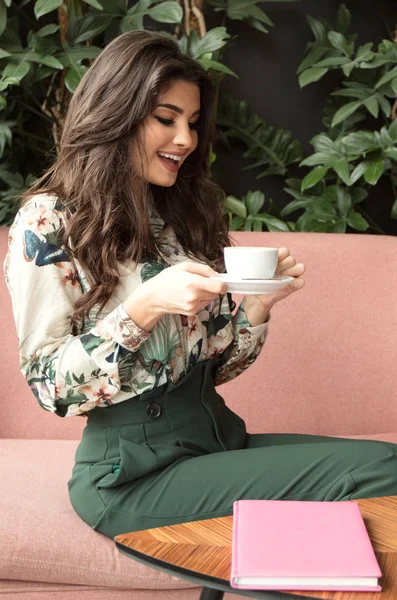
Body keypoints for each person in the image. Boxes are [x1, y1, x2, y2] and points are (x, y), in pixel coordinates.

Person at [5, 30, 397, 540]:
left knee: (388, 461)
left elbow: (214, 366)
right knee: (382, 475)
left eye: (191, 123)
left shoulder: (177, 217)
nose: (186, 139)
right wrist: (141, 309)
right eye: (166, 119)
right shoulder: (48, 221)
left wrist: (256, 307)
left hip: (213, 439)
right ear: (116, 113)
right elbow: (49, 385)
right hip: (130, 477)